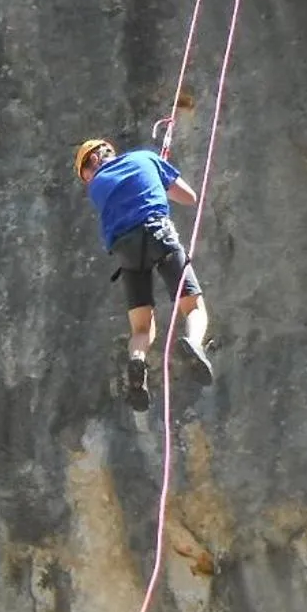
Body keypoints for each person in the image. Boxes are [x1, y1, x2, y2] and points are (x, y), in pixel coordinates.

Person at [75, 138, 216, 409]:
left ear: (92, 164)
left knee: (141, 327)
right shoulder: (145, 158)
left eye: (86, 175)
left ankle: (137, 361)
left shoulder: (96, 188)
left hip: (126, 250)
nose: (88, 180)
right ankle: (194, 343)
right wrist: (159, 173)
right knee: (193, 305)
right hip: (158, 234)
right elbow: (189, 197)